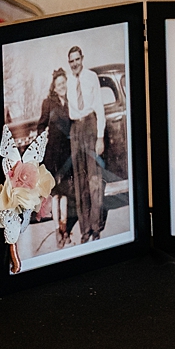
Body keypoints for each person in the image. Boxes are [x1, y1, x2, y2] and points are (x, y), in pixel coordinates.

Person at [64, 45, 109, 243]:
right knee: (80, 183)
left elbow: (99, 106)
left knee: (94, 180)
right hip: (76, 129)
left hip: (91, 127)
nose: (74, 63)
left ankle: (96, 227)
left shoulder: (91, 77)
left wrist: (100, 137)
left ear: (82, 58)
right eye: (71, 61)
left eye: (77, 59)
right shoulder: (67, 82)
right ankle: (84, 230)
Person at [33, 68, 75, 248]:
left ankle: (64, 228)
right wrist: (44, 140)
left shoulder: (72, 102)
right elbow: (41, 125)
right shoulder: (48, 103)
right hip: (53, 153)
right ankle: (59, 231)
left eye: (64, 83)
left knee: (66, 192)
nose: (62, 86)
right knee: (56, 193)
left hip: (68, 152)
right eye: (58, 84)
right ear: (54, 87)